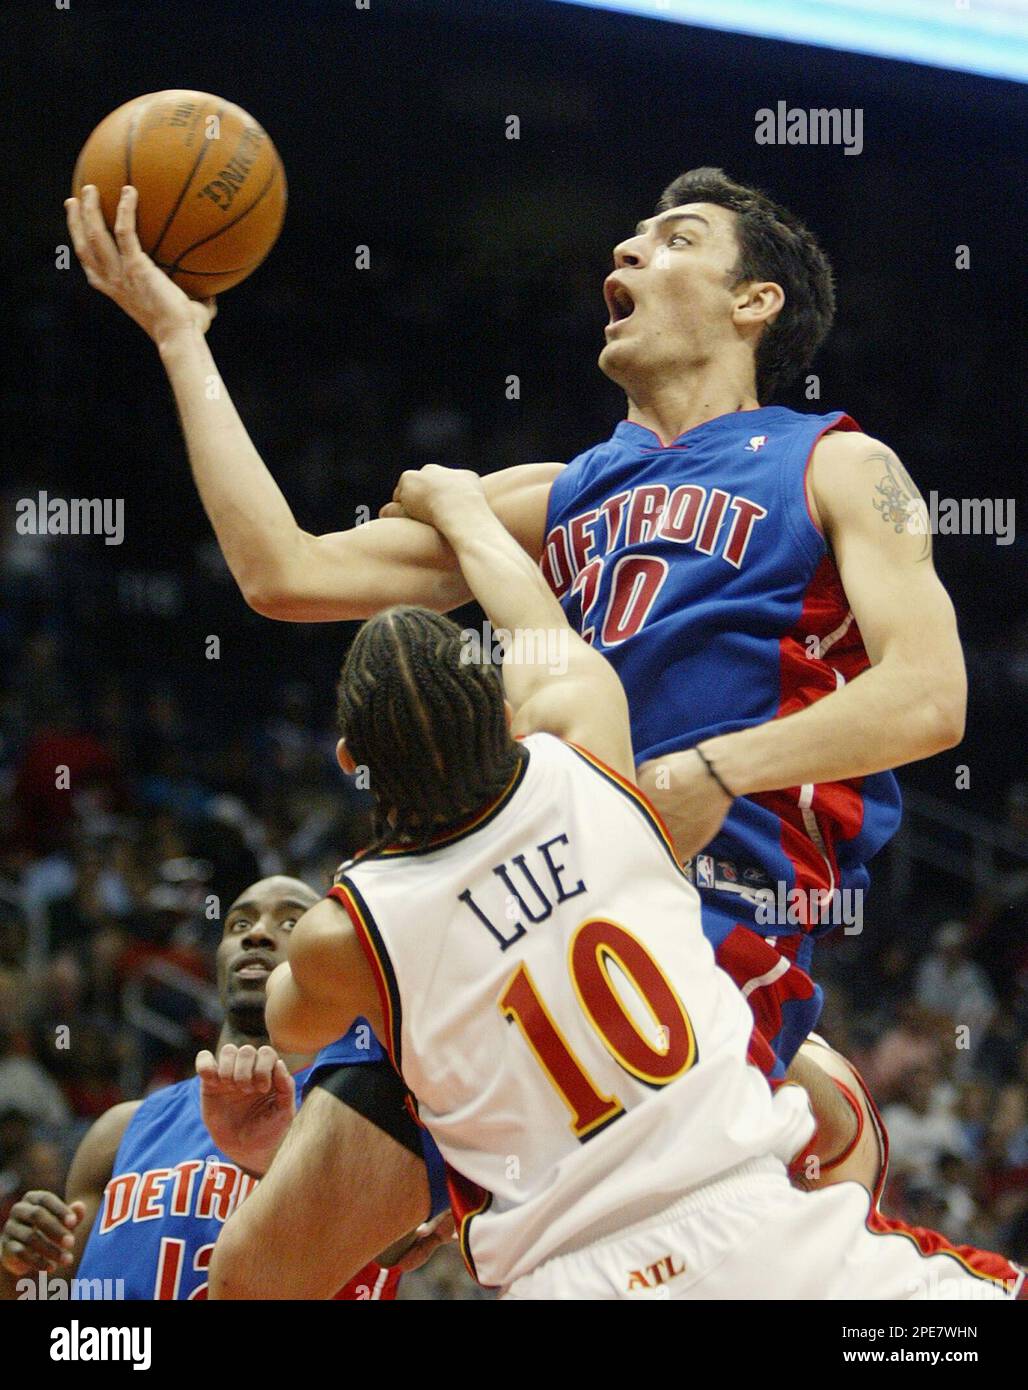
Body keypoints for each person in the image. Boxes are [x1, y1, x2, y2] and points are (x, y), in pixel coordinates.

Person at [63, 171, 964, 1087]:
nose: (629, 248)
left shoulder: (838, 463)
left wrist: (723, 768)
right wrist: (180, 340)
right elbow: (283, 573)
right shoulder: (551, 493)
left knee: (589, 1209)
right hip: (535, 878)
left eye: (678, 239)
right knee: (327, 1170)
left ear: (755, 301)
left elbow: (928, 695)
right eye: (635, 234)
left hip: (719, 894)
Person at [207, 465, 1021, 1301]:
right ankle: (811, 1080)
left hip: (561, 1279)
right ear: (507, 716)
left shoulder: (347, 929)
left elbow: (291, 1027)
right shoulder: (587, 762)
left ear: (350, 764)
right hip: (740, 1223)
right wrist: (460, 506)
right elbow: (532, 617)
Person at [0, 875, 442, 1300]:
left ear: (334, 961)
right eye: (239, 925)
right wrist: (14, 1266)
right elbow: (45, 1290)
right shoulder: (121, 1129)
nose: (258, 935)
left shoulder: (371, 1108)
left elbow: (392, 1245)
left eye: (292, 923)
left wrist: (272, 1156)